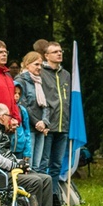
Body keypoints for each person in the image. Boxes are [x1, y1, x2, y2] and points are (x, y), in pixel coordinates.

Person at [40, 42, 71, 188]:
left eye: (60, 51)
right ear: (46, 56)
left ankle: (53, 196)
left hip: (63, 125)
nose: (59, 54)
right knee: (43, 163)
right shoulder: (40, 73)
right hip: (47, 125)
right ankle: (42, 196)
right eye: (55, 52)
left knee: (57, 164)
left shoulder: (66, 75)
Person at [15, 51, 49, 172]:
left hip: (40, 128)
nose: (39, 68)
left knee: (37, 165)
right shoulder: (20, 81)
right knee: (28, 166)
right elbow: (23, 105)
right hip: (29, 129)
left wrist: (44, 122)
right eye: (36, 64)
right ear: (27, 64)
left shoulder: (39, 81)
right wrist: (36, 123)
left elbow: (46, 104)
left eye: (41, 65)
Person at [11, 83, 32, 162]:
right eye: (14, 93)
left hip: (20, 149)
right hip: (7, 149)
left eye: (19, 94)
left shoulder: (22, 110)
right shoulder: (4, 109)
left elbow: (27, 132)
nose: (17, 96)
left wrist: (27, 152)